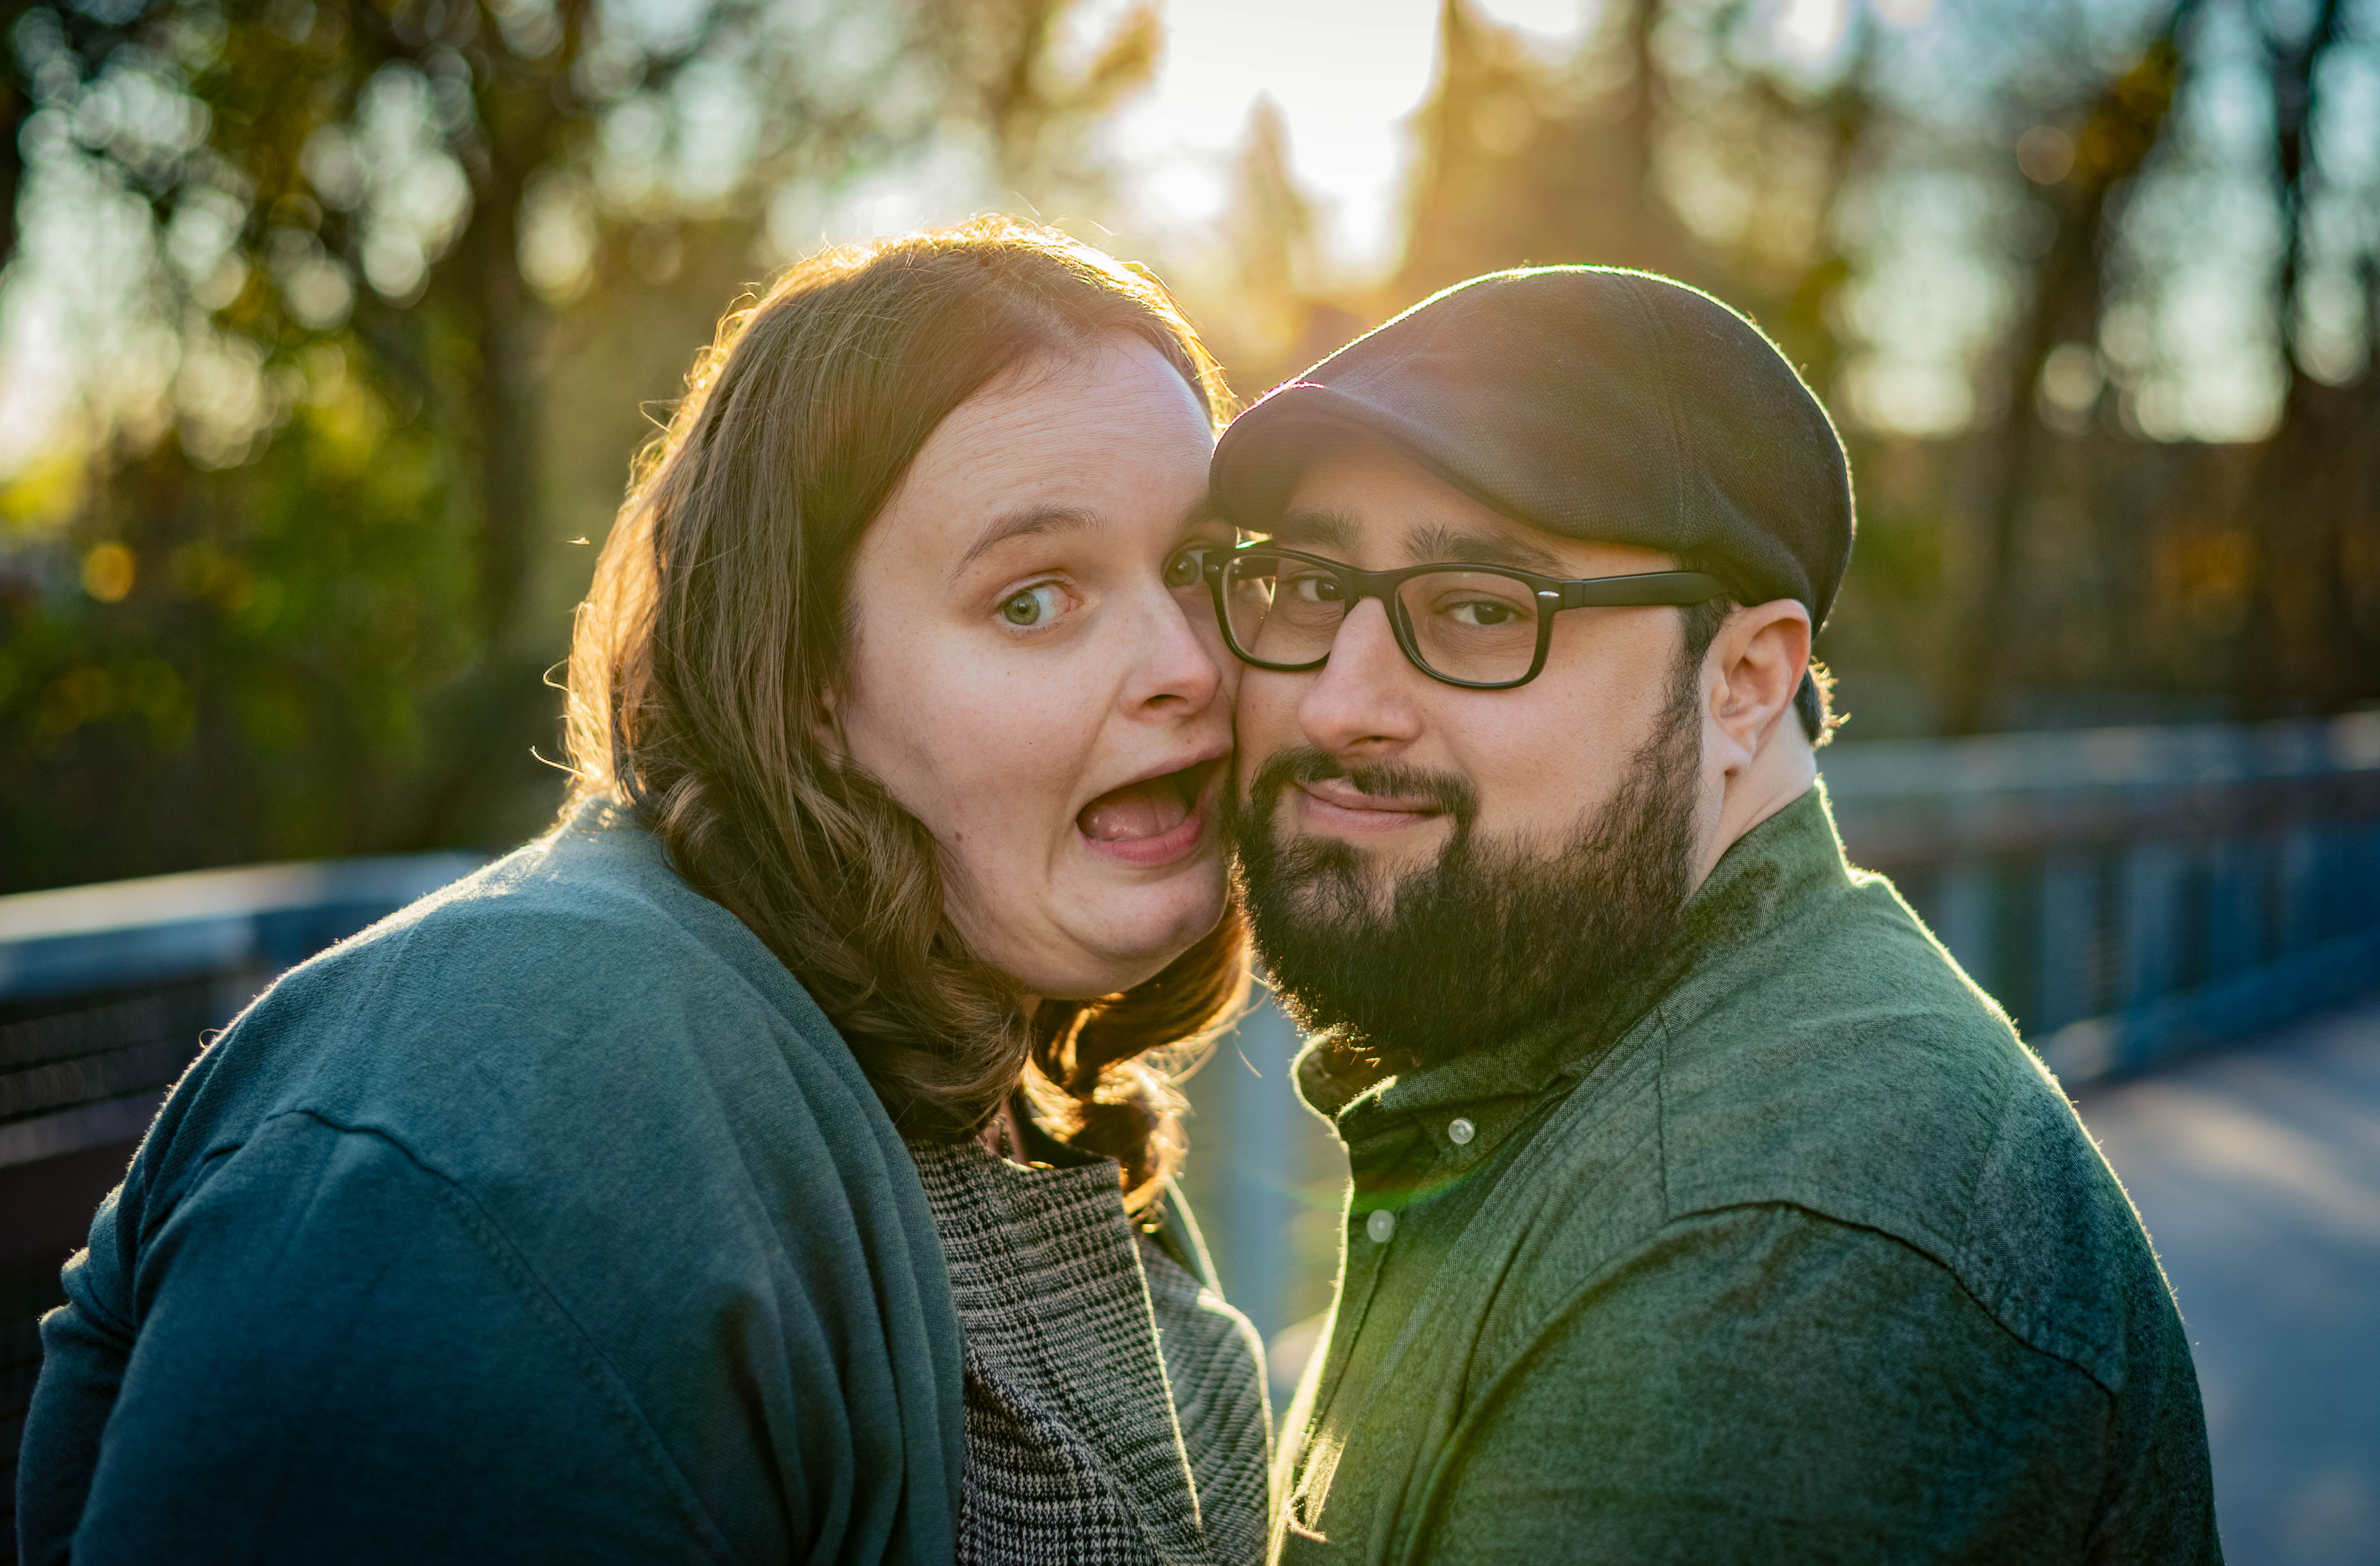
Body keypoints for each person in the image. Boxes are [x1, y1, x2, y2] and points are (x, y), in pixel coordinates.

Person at [18, 218, 1270, 1566]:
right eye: (1032, 600)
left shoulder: (1019, 1081)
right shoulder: (517, 1093)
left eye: (1204, 570)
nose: (1189, 666)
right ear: (802, 679)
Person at [1197, 266, 2220, 1564]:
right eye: (1304, 586)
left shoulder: (1766, 1264)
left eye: (1479, 611)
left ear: (1742, 683)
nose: (1339, 703)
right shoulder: (1573, 1045)